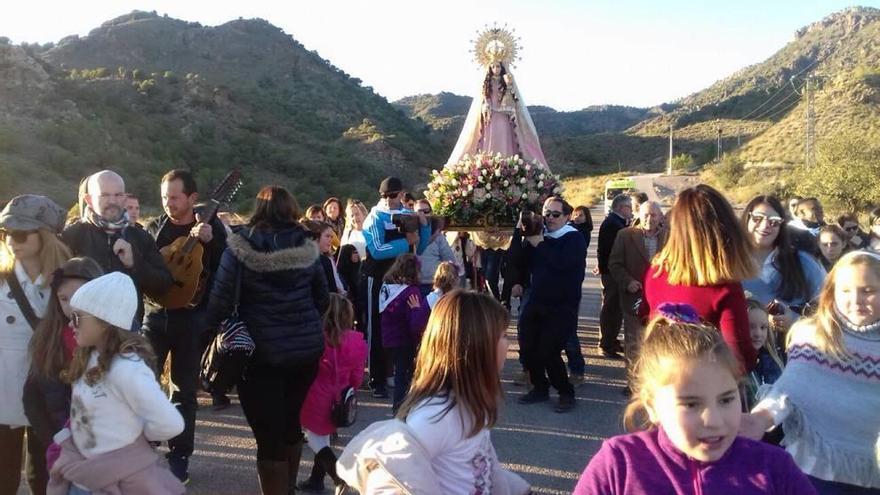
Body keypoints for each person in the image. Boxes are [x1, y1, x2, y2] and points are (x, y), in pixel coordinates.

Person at [573, 305, 816, 495]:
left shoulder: (773, 467)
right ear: (652, 406)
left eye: (726, 399)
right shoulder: (620, 464)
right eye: (690, 404)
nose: (713, 420)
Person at [337, 291, 530, 494]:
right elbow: (392, 470)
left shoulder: (470, 402)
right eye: (503, 336)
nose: (508, 343)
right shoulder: (437, 414)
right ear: (477, 346)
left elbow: (482, 466)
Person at [205, 185, 329, 495]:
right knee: (290, 425)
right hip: (304, 353)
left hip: (260, 356)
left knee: (268, 436)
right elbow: (323, 299)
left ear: (258, 209)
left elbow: (219, 301)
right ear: (292, 209)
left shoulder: (239, 245)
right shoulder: (306, 244)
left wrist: (201, 344)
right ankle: (287, 488)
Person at [741, 251, 880, 493]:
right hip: (816, 467)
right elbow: (791, 388)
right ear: (832, 292)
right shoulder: (813, 335)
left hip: (873, 473)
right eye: (846, 291)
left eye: (868, 290)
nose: (856, 299)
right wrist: (760, 419)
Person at [48, 272, 183, 494]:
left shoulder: (127, 369)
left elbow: (171, 423)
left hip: (114, 483)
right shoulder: (89, 356)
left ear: (105, 321)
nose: (71, 323)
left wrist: (134, 436)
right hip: (84, 476)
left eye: (78, 317)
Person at [141, 169, 228, 482]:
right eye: (164, 196)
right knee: (143, 384)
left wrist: (212, 242)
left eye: (174, 197)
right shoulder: (154, 228)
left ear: (193, 198)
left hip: (191, 319)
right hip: (154, 316)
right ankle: (141, 451)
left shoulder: (212, 227)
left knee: (184, 391)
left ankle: (179, 455)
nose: (168, 203)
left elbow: (224, 270)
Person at [644, 185, 758, 370]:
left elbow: (646, 316)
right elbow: (739, 356)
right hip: (706, 383)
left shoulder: (655, 272)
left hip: (662, 375)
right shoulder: (723, 287)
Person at [0, 195, 70, 495]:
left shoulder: (67, 282)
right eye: (6, 233)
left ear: (44, 235)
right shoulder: (1, 280)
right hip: (4, 389)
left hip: (49, 391)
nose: (10, 239)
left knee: (44, 476)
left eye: (19, 232)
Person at [61, 170, 173, 325]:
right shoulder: (72, 237)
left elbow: (164, 286)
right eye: (104, 195)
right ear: (89, 199)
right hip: (81, 333)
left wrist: (135, 264)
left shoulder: (140, 238)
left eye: (118, 195)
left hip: (127, 334)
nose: (112, 201)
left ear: (125, 198)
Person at [23, 258, 104, 471]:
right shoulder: (48, 338)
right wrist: (55, 441)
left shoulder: (114, 340)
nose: (71, 306)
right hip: (63, 447)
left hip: (106, 449)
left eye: (79, 297)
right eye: (64, 298)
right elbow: (32, 397)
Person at [361, 176, 430, 399]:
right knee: (377, 328)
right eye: (387, 196)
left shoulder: (408, 215)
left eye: (394, 195)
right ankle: (377, 379)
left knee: (406, 328)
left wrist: (425, 230)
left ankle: (403, 375)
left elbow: (418, 249)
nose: (391, 200)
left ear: (402, 194)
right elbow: (378, 249)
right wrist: (407, 241)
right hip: (379, 279)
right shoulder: (373, 218)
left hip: (404, 282)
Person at [516, 197, 587, 413]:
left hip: (562, 304)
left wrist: (540, 244)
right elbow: (518, 259)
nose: (550, 218)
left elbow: (561, 263)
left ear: (567, 216)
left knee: (549, 350)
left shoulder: (574, 238)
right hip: (537, 299)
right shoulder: (539, 234)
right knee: (528, 347)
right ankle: (539, 387)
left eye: (555, 214)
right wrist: (520, 234)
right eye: (546, 213)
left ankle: (565, 391)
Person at [445, 26, 548, 170]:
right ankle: (489, 169)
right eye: (493, 67)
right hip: (490, 117)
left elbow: (513, 101)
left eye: (498, 66)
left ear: (502, 67)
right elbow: (482, 99)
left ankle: (507, 169)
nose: (496, 69)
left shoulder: (507, 82)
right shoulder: (485, 84)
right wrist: (486, 105)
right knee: (489, 141)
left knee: (506, 139)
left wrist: (509, 86)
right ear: (489, 68)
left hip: (504, 117)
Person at [297, 294, 367, 493]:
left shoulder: (318, 339)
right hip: (339, 396)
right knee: (323, 436)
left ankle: (338, 476)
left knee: (314, 438)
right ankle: (316, 480)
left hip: (315, 394)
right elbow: (357, 378)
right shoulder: (357, 342)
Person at [607, 200, 666, 392]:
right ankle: (634, 382)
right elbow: (615, 264)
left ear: (660, 217)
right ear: (639, 215)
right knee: (634, 342)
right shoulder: (625, 235)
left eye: (654, 215)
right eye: (646, 215)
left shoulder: (670, 237)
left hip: (661, 299)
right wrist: (627, 281)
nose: (649, 219)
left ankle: (656, 381)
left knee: (659, 341)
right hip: (634, 296)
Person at [741, 195, 826, 325]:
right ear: (747, 218)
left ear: (782, 225)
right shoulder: (729, 263)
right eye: (757, 218)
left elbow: (827, 303)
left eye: (774, 221)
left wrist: (796, 320)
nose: (765, 226)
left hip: (793, 341)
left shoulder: (802, 262)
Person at [380, 253, 430, 413]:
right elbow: (416, 323)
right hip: (406, 340)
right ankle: (402, 411)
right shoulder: (411, 292)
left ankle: (398, 409)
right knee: (405, 378)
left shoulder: (387, 287)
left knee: (400, 375)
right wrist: (417, 309)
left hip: (389, 338)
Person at [597, 193, 634, 358]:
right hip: (611, 273)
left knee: (616, 309)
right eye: (629, 207)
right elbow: (611, 251)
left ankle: (611, 339)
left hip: (612, 272)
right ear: (620, 207)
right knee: (611, 309)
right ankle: (606, 343)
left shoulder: (617, 222)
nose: (631, 210)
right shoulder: (613, 224)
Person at [742, 299, 784, 410]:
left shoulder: (771, 360)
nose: (758, 333)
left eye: (763, 327)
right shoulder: (736, 364)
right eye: (751, 327)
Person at [413, 199, 456, 296]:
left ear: (431, 213)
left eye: (426, 211)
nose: (422, 215)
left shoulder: (438, 236)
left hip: (435, 284)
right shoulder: (410, 234)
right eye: (419, 212)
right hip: (414, 284)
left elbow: (449, 259)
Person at [303, 220, 346, 296]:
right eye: (327, 236)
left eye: (331, 237)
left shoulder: (329, 260)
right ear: (316, 237)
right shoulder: (323, 261)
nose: (330, 240)